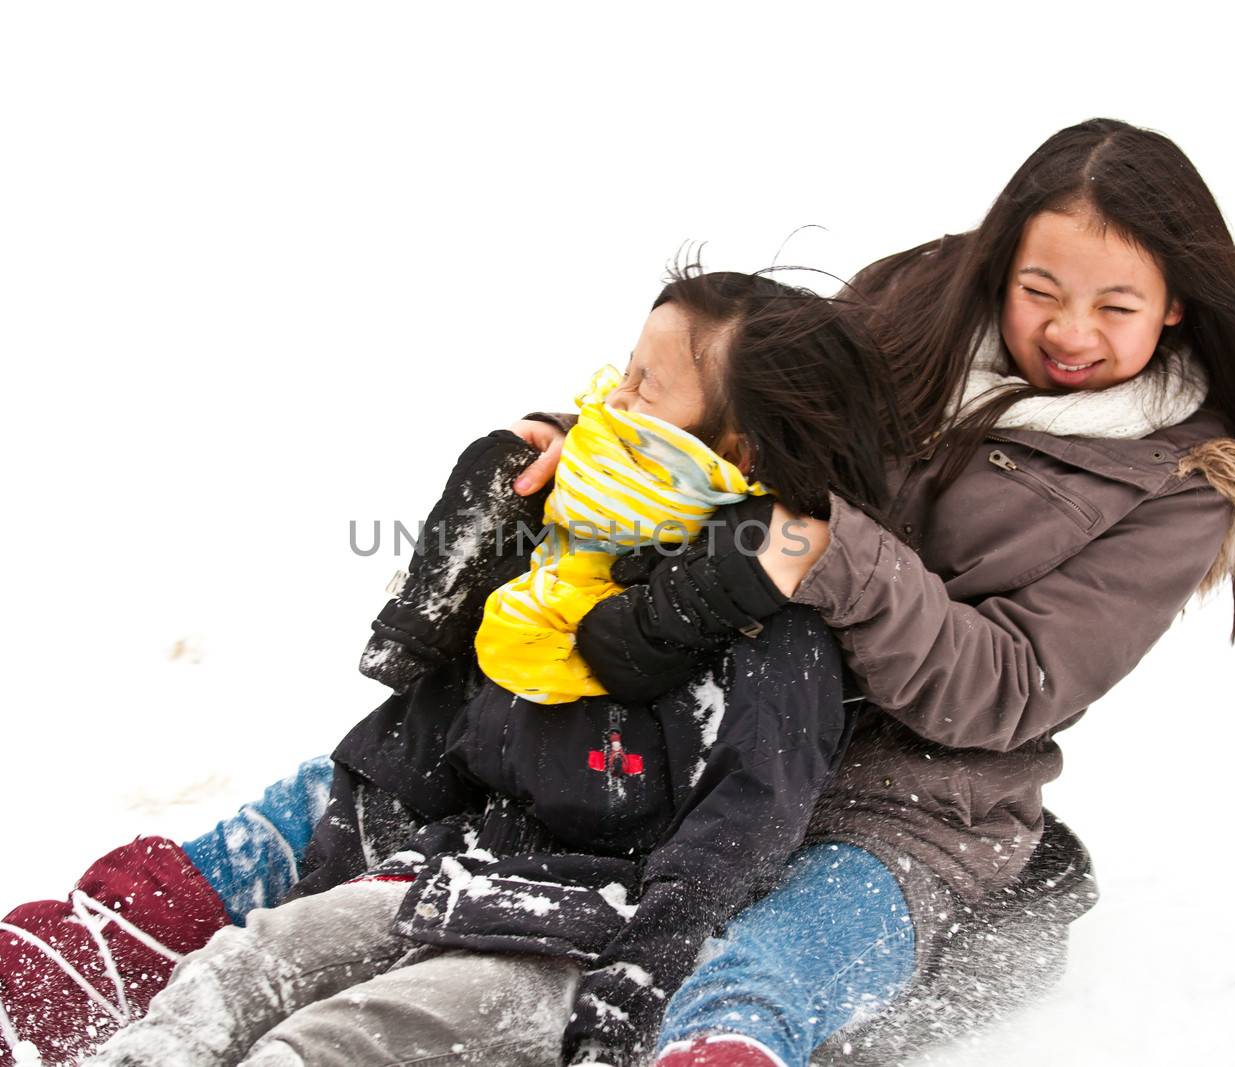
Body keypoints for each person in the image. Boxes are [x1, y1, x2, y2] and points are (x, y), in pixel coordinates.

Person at [0, 117, 1235, 1067]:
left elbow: (1005, 686)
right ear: (1004, 258)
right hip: (681, 711)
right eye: (1044, 287)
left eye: (1117, 307)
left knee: (761, 961)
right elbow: (740, 418)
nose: (1070, 327)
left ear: (1182, 304)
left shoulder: (1176, 485)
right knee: (317, 808)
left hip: (899, 802)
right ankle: (0, 994)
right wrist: (593, 468)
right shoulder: (918, 310)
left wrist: (820, 552)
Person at [79, 269, 900, 1067]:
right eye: (624, 374)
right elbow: (448, 742)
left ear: (735, 450)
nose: (608, 406)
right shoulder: (561, 568)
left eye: (645, 392)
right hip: (451, 870)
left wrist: (636, 980)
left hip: (578, 936)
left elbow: (739, 835)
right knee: (236, 971)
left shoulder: (771, 637)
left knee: (328, 1044)